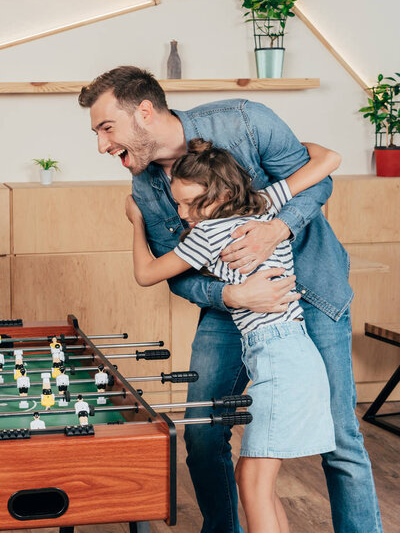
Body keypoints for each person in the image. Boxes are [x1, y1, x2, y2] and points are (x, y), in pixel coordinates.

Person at [78, 66, 382, 533]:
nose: (102, 145)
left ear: (144, 112)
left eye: (106, 128)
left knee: (339, 438)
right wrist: (232, 292)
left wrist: (276, 229)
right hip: (232, 310)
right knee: (202, 432)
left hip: (312, 293)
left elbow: (316, 176)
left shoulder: (244, 120)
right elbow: (175, 278)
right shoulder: (144, 186)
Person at [125, 137, 338, 532]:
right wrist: (296, 146)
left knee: (253, 484)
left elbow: (145, 273)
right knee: (257, 483)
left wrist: (137, 221)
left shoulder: (206, 235)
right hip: (293, 353)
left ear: (222, 195)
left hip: (281, 360)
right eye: (180, 204)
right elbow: (329, 158)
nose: (185, 214)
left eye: (195, 203)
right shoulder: (263, 204)